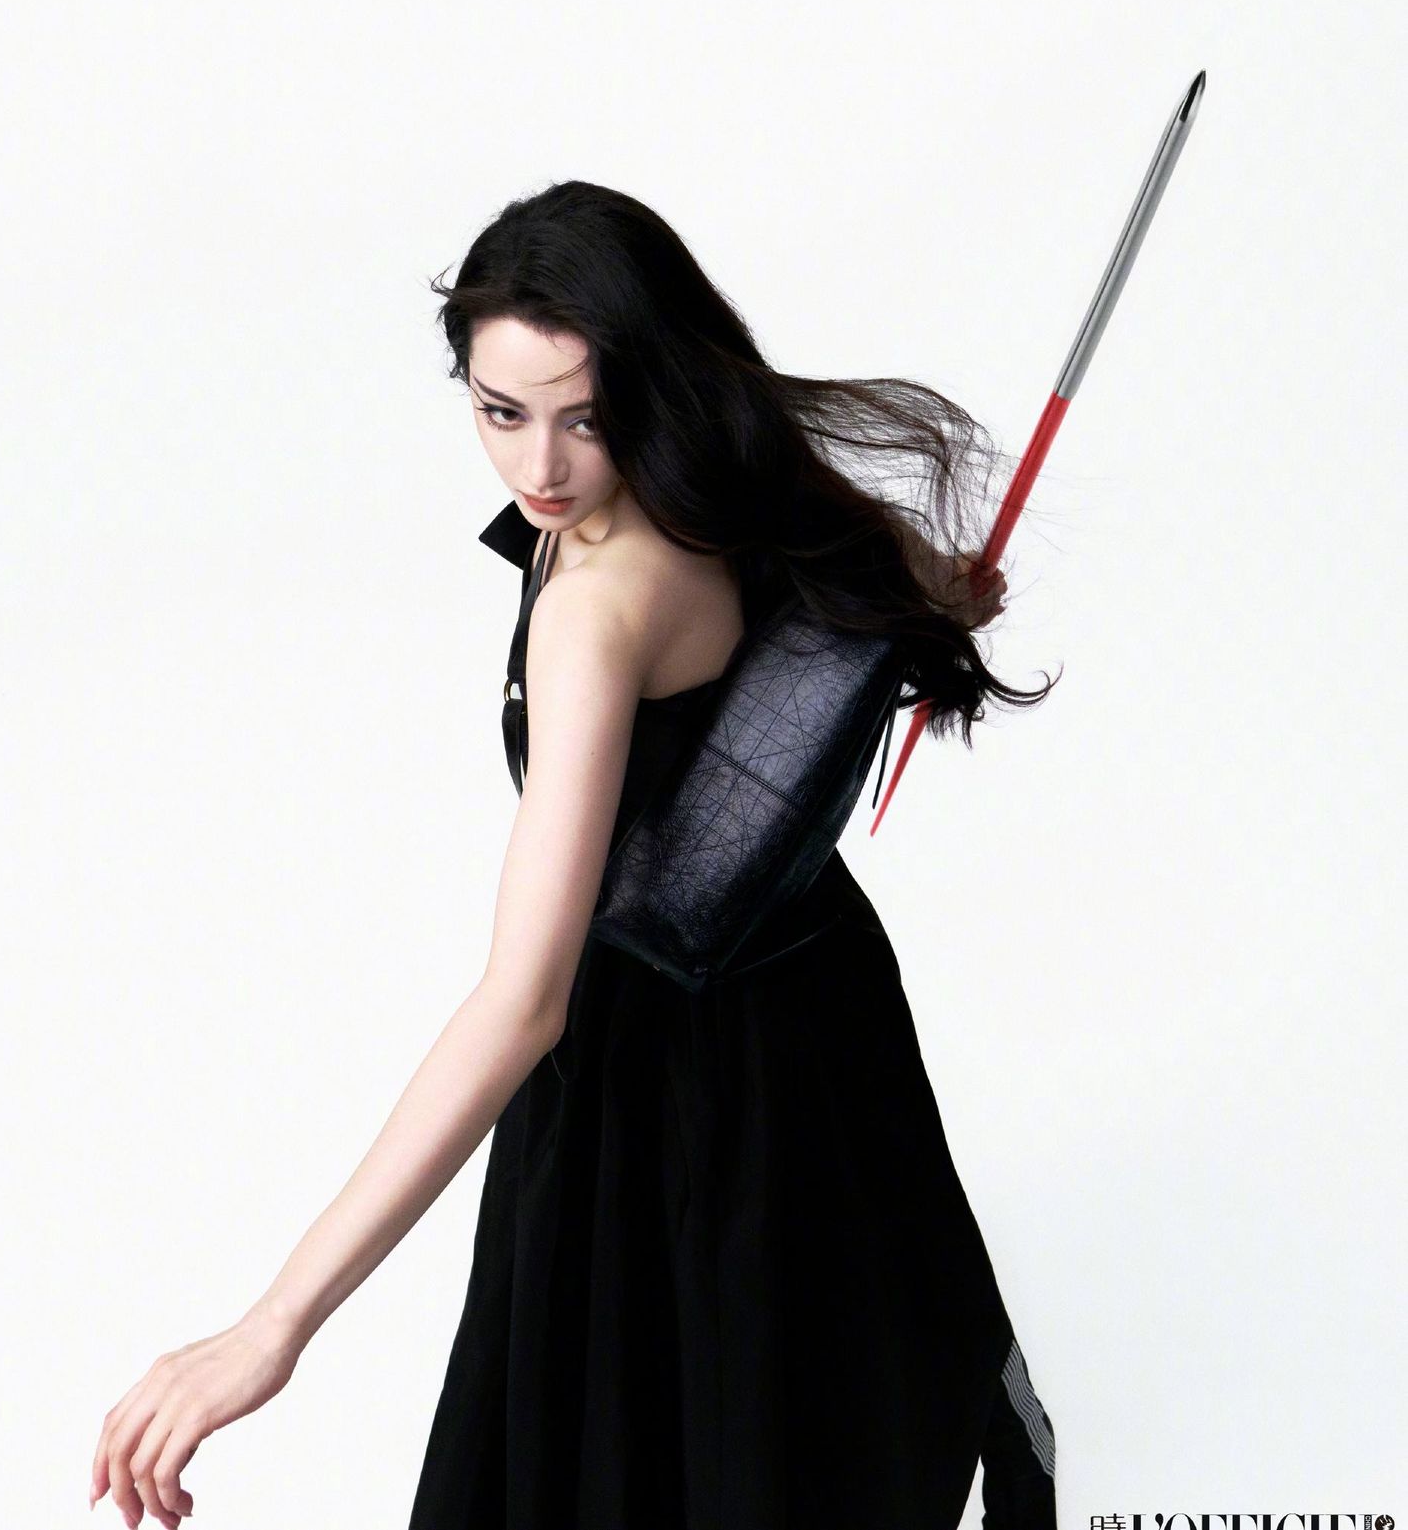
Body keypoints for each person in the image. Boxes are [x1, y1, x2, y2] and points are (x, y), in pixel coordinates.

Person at [89, 181, 1061, 1530]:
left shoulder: (598, 608)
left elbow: (524, 999)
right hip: (820, 1023)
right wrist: (947, 591)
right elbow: (907, 584)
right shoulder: (743, 483)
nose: (539, 468)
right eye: (502, 413)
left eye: (586, 417)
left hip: (672, 1095)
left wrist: (270, 1327)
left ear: (653, 386)